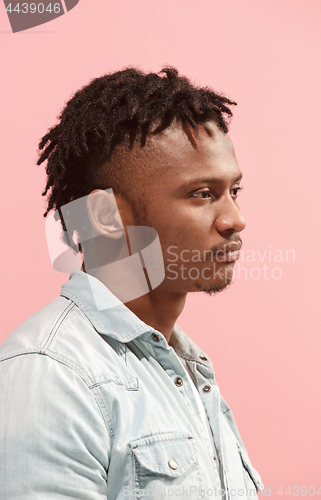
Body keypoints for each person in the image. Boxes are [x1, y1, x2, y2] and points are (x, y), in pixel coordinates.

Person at [0, 67, 264, 499]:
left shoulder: (186, 370)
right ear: (105, 216)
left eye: (234, 190)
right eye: (201, 193)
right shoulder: (51, 373)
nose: (234, 219)